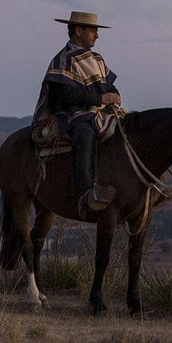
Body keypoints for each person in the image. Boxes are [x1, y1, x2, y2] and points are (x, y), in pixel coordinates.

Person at [33, 11, 123, 216]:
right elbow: (64, 95)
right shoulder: (62, 60)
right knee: (85, 132)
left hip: (98, 111)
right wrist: (100, 99)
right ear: (78, 30)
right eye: (93, 30)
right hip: (71, 114)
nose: (97, 35)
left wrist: (114, 96)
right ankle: (86, 192)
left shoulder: (97, 59)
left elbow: (109, 85)